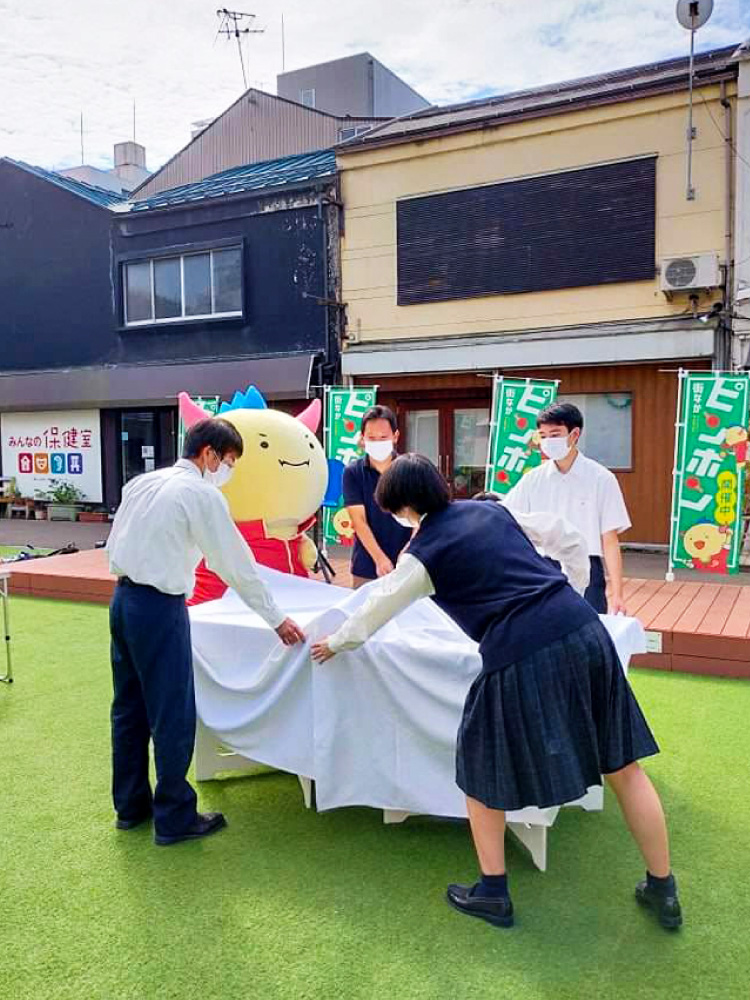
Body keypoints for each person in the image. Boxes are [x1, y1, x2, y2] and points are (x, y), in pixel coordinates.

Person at [312, 454, 681, 931]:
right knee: (624, 766)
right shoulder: (491, 509)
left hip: (519, 650)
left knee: (479, 763)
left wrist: (335, 642)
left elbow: (378, 607)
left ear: (403, 506)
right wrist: (568, 589)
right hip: (584, 629)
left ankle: (493, 891)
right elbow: (566, 537)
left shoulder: (421, 553)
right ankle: (663, 888)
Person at [107, 418, 305, 847]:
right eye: (230, 460)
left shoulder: (141, 484)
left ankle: (130, 808)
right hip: (160, 606)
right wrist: (276, 618)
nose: (228, 471)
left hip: (122, 601)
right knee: (172, 711)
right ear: (210, 453)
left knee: (128, 708)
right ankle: (175, 816)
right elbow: (235, 564)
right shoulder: (201, 495)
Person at [503, 402, 631, 615]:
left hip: (587, 567)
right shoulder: (532, 479)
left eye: (555, 435)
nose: (548, 442)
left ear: (574, 435)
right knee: (543, 628)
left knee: (588, 627)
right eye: (543, 436)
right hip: (543, 566)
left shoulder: (601, 478)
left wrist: (618, 594)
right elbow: (506, 518)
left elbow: (609, 539)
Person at [342, 405, 412, 588]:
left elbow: (421, 518)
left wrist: (407, 554)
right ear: (362, 438)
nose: (377, 442)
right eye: (371, 438)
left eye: (383, 438)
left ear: (395, 437)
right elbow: (359, 521)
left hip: (409, 564)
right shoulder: (353, 472)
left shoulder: (411, 470)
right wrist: (380, 559)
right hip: (367, 566)